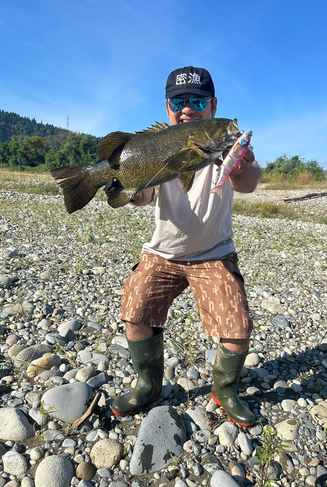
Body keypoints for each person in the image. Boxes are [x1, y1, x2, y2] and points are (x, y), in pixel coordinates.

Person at [108, 66, 262, 427]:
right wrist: (125, 188)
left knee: (237, 330)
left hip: (214, 254)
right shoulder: (157, 143)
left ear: (212, 105)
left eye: (197, 100)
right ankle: (148, 385)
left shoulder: (226, 141)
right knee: (135, 315)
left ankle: (224, 390)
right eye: (179, 101)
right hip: (162, 252)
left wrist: (241, 166)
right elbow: (143, 196)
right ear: (167, 107)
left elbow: (249, 182)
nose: (188, 107)